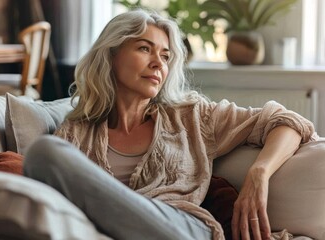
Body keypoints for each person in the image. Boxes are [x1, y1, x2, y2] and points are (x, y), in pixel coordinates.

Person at [23, 8, 318, 240]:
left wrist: (259, 174)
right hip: (101, 232)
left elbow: (288, 121)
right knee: (45, 152)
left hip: (182, 229)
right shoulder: (76, 131)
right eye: (144, 49)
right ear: (111, 55)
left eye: (165, 56)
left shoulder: (191, 116)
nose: (158, 63)